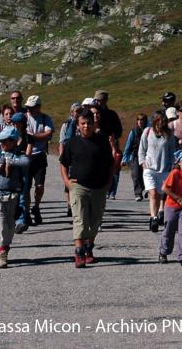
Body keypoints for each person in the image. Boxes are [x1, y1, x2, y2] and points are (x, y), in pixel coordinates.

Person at [59, 110, 113, 268]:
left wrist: (109, 182)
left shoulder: (102, 142)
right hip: (78, 187)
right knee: (80, 220)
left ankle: (89, 247)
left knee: (95, 221)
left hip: (99, 187)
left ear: (94, 123)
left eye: (89, 123)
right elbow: (63, 163)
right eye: (83, 123)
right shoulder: (72, 143)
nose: (86, 126)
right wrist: (67, 182)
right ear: (78, 125)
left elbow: (110, 164)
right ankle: (79, 251)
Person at [0, 125, 30, 269]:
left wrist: (10, 161)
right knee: (0, 225)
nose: (2, 143)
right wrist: (2, 161)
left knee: (9, 225)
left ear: (14, 141)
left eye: (6, 140)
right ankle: (1, 253)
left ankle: (5, 247)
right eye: (1, 140)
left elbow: (26, 162)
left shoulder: (18, 155)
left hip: (13, 195)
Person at [158, 149, 182, 266]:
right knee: (168, 230)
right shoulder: (175, 173)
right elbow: (164, 188)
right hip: (171, 206)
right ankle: (163, 252)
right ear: (179, 163)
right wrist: (177, 198)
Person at [137, 112, 176, 231]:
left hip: (164, 169)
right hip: (150, 169)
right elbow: (142, 150)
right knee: (153, 193)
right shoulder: (147, 132)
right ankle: (153, 218)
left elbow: (172, 152)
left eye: (163, 121)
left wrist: (172, 166)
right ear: (154, 121)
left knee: (161, 194)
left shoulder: (169, 135)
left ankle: (160, 212)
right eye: (158, 120)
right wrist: (143, 163)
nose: (161, 123)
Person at [24, 95, 54, 226]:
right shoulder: (24, 118)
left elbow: (48, 134)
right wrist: (38, 137)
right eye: (28, 107)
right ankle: (26, 211)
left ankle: (36, 206)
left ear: (38, 107)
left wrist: (33, 136)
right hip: (26, 155)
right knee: (26, 187)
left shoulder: (45, 118)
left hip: (40, 156)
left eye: (32, 107)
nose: (29, 109)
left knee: (39, 185)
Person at [91, 90, 122, 196]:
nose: (99, 103)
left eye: (101, 101)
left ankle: (106, 192)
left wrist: (112, 136)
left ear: (106, 101)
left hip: (108, 147)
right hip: (92, 146)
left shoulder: (112, 115)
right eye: (97, 101)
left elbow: (119, 130)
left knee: (108, 171)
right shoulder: (90, 113)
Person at [122, 113, 148, 201]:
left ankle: (144, 188)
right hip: (135, 156)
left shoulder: (148, 131)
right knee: (135, 175)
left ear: (145, 121)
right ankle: (138, 194)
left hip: (146, 157)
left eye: (142, 120)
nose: (140, 122)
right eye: (138, 120)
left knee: (144, 175)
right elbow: (128, 146)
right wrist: (124, 158)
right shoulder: (133, 131)